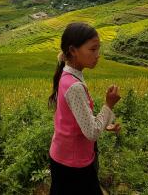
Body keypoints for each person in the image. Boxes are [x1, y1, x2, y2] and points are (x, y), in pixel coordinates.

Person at [49, 22, 121, 195]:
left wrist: (105, 124)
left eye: (98, 49)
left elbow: (77, 120)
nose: (97, 55)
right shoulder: (74, 86)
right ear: (73, 50)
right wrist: (109, 105)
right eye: (92, 49)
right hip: (73, 163)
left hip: (64, 156)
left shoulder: (68, 76)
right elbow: (92, 132)